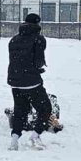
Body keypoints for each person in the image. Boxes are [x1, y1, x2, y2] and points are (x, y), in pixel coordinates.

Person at [7, 13, 54, 151]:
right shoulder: (38, 39)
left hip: (15, 81)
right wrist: (38, 69)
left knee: (20, 111)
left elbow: (15, 60)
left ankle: (14, 140)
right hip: (31, 81)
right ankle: (35, 135)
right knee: (45, 109)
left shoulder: (14, 39)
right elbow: (39, 61)